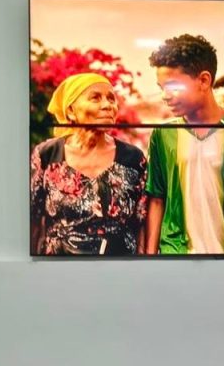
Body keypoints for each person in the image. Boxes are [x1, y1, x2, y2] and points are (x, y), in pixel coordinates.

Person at [143, 34, 224, 254]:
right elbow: (157, 199)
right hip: (175, 257)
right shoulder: (163, 133)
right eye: (161, 88)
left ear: (204, 80)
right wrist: (150, 259)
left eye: (173, 86)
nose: (165, 96)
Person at [30, 72, 147, 255]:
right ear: (70, 111)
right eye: (95, 98)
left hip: (120, 270)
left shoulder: (133, 158)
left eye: (111, 99)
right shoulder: (47, 155)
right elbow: (34, 220)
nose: (107, 105)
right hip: (60, 270)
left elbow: (141, 224)